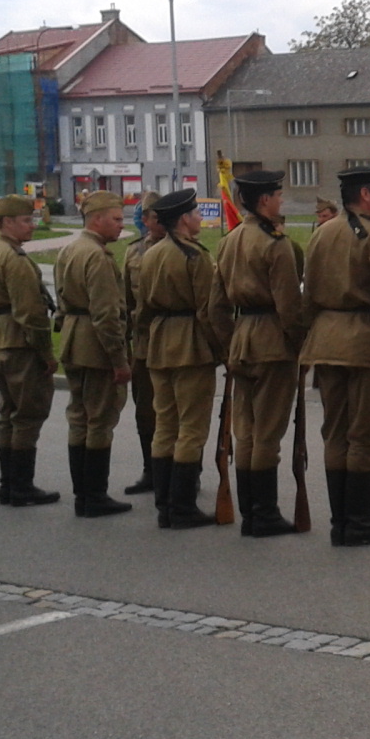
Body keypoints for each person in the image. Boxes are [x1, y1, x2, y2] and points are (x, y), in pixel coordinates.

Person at [300, 166, 370, 546]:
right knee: (365, 435)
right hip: (369, 343)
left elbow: (310, 292)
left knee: (335, 434)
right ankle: (359, 521)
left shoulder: (322, 233)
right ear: (365, 195)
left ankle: (340, 521)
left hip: (328, 342)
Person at [210, 170, 305, 537]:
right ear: (264, 200)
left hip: (242, 340)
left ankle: (250, 510)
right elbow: (289, 306)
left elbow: (215, 307)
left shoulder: (229, 241)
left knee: (246, 432)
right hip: (271, 341)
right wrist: (300, 344)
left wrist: (228, 342)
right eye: (278, 195)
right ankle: (263, 513)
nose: (281, 201)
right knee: (267, 432)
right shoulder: (275, 244)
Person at [138, 189, 230, 529]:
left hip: (160, 343)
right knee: (191, 428)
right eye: (195, 213)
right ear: (182, 220)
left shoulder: (151, 253)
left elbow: (143, 307)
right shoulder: (194, 256)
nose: (200, 219)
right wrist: (223, 350)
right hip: (190, 343)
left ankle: (165, 503)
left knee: (165, 425)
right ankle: (182, 506)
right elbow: (208, 310)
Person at [0, 195, 59, 507]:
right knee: (28, 414)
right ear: (7, 222)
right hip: (21, 344)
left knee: (8, 413)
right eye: (26, 221)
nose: (32, 226)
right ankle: (21, 486)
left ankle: (8, 484)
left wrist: (0, 320)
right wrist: (46, 354)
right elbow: (32, 315)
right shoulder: (16, 260)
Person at [55, 191, 134, 517]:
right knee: (100, 418)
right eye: (116, 219)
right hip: (96, 345)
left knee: (79, 417)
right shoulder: (98, 257)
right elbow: (106, 314)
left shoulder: (70, 249)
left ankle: (82, 495)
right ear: (97, 219)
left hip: (74, 340)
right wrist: (119, 359)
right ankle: (95, 496)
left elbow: (61, 299)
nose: (121, 225)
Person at [120, 192, 166, 495]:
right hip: (143, 344)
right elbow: (125, 302)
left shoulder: (183, 250)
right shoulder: (133, 253)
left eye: (158, 216)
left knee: (176, 411)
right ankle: (151, 470)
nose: (153, 222)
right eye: (149, 216)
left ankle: (186, 469)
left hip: (173, 341)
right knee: (145, 412)